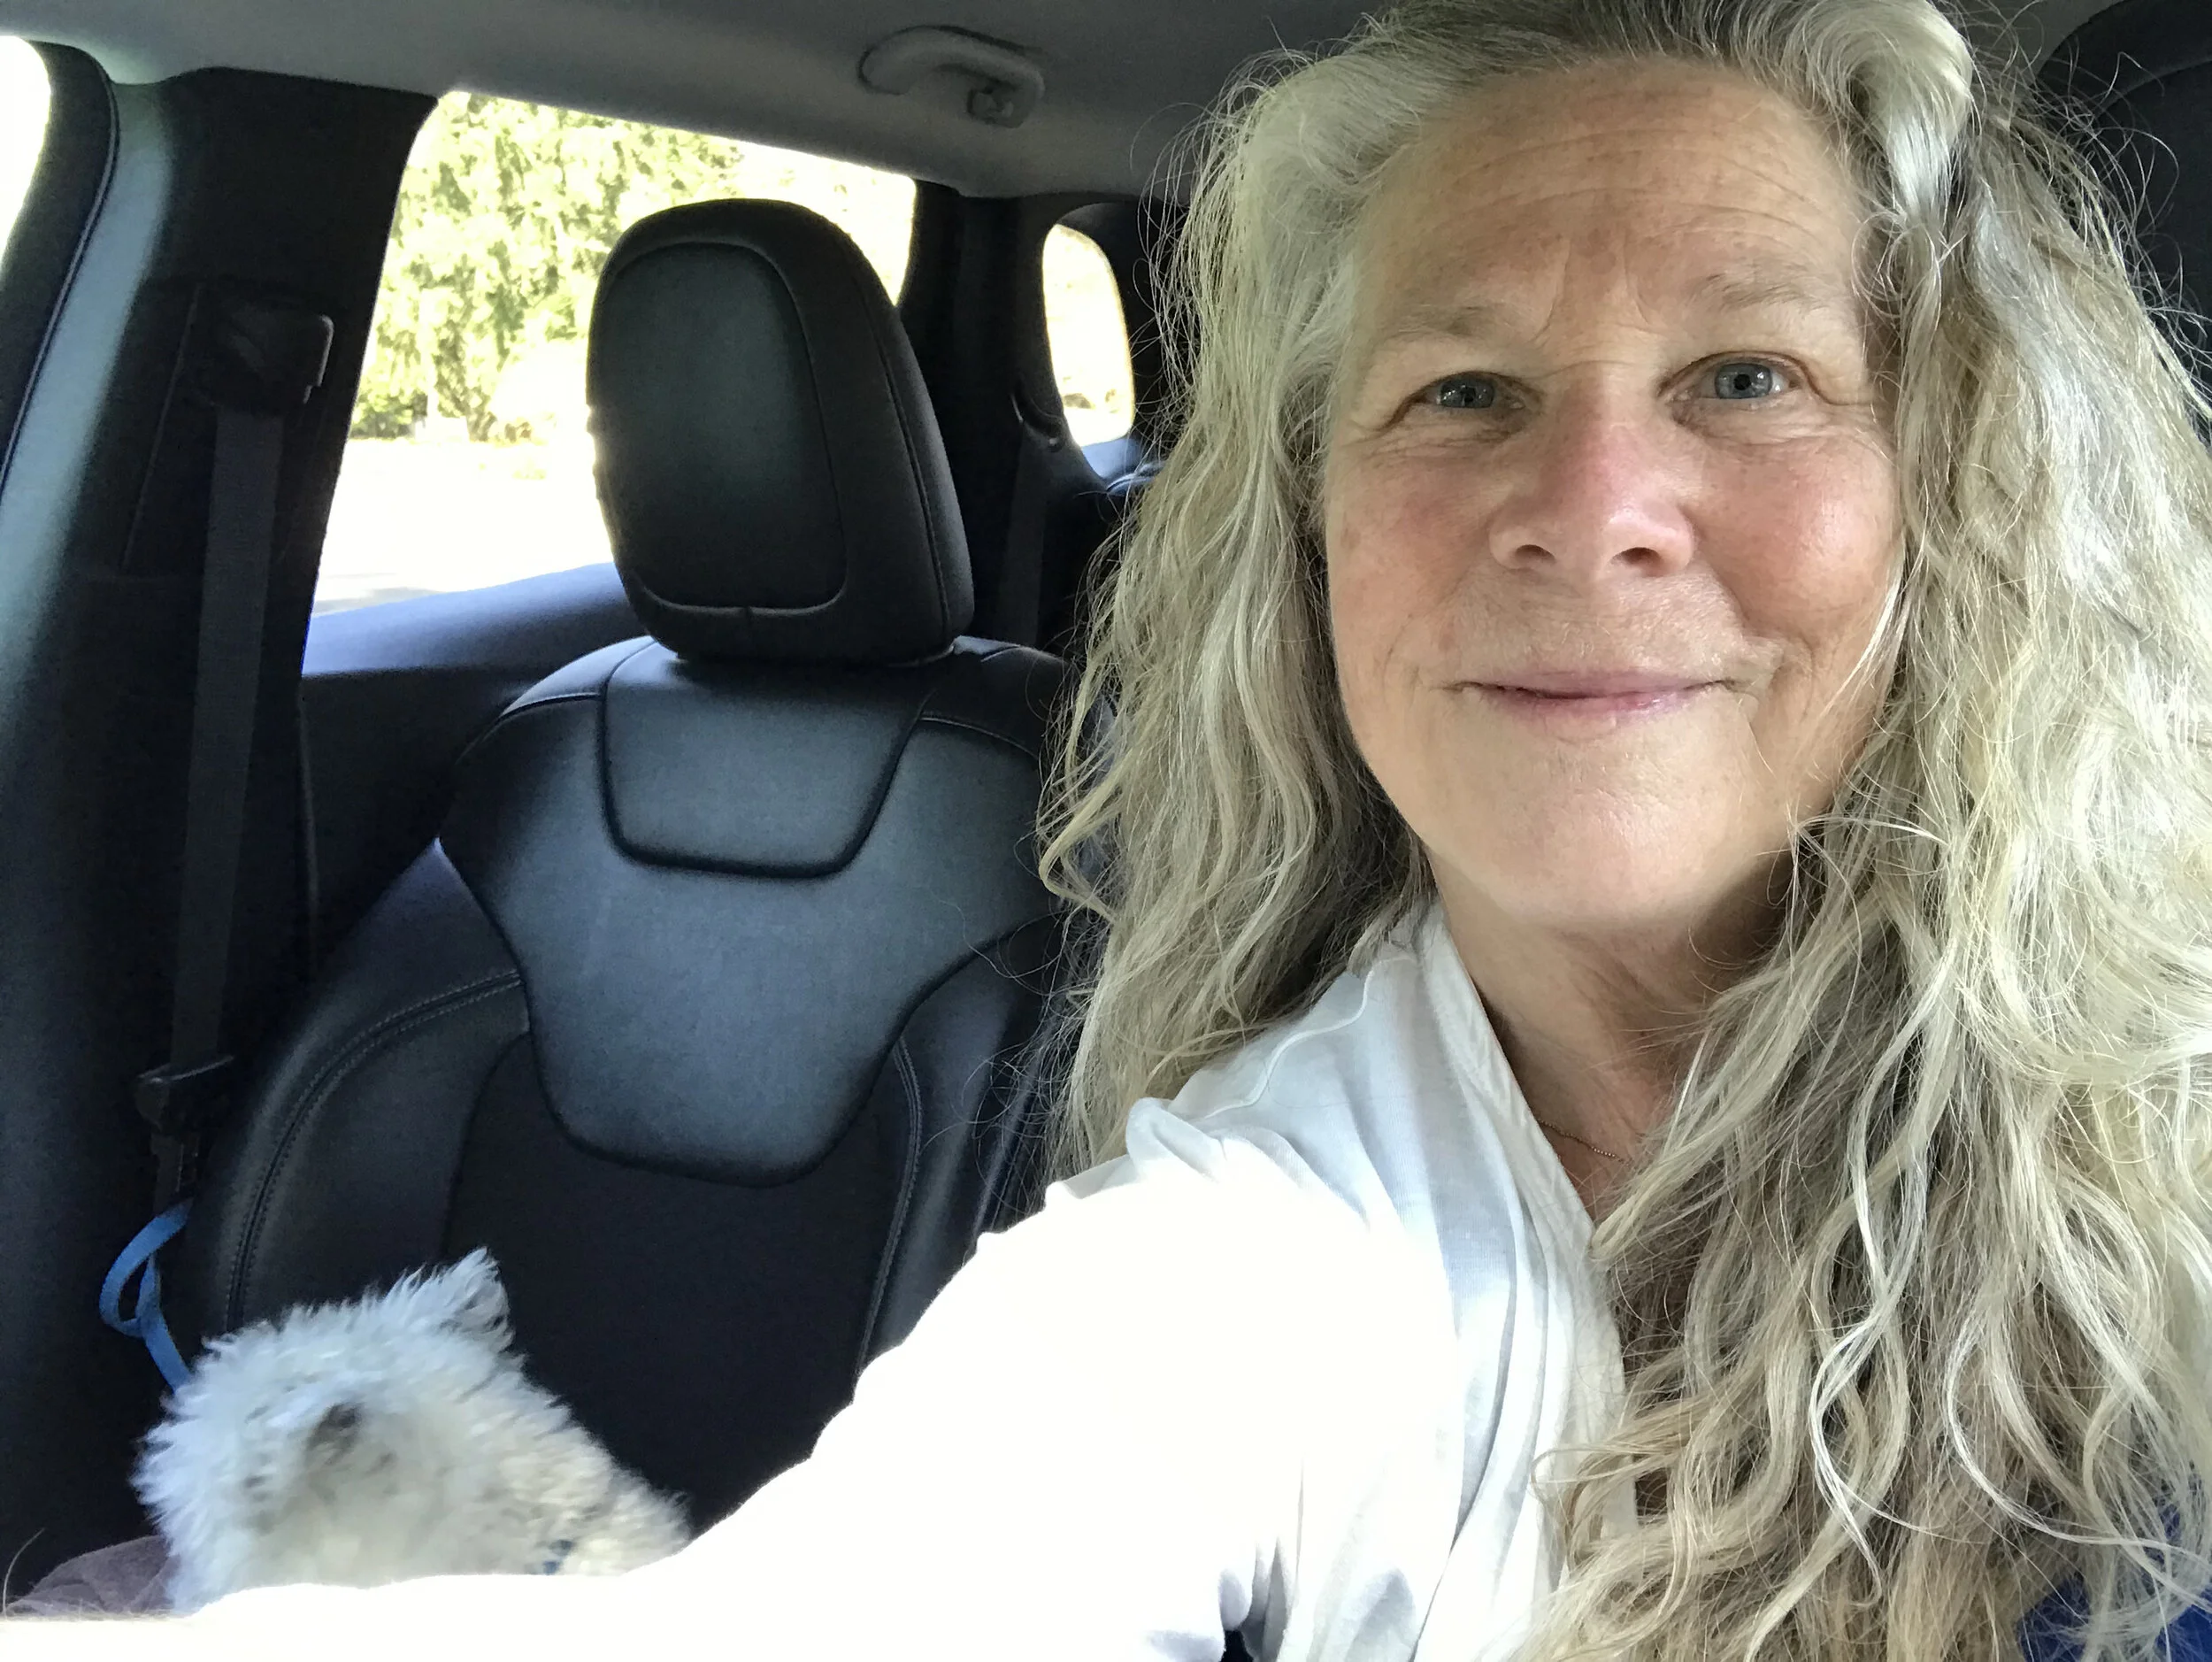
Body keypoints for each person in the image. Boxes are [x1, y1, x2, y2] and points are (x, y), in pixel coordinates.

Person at [15, 0, 2212, 1655]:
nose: (1587, 509)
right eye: (1460, 392)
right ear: (1311, 544)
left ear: (1963, 506)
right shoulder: (1259, 1245)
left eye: (1742, 374)